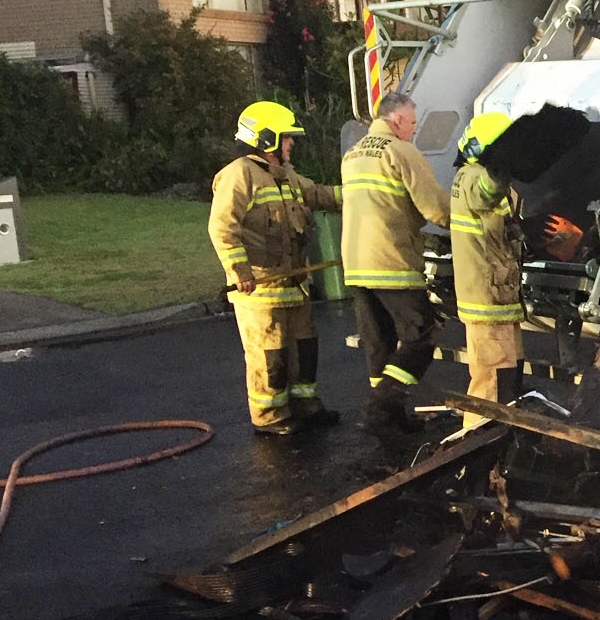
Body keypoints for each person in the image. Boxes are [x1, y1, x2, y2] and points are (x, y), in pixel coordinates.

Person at [208, 100, 342, 436]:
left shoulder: (286, 176)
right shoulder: (239, 175)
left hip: (295, 285)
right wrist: (240, 271)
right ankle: (269, 417)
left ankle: (305, 405)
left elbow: (320, 195)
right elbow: (223, 227)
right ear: (267, 139)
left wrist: (361, 192)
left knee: (304, 348)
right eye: (287, 138)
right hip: (262, 289)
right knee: (271, 354)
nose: (292, 143)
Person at [341, 91, 451, 431]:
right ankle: (381, 405)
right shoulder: (401, 151)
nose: (415, 131)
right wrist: (466, 223)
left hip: (356, 265)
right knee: (423, 333)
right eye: (413, 123)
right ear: (398, 120)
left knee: (380, 343)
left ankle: (388, 418)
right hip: (391, 262)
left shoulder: (353, 153)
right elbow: (435, 208)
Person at [449, 112, 525, 427]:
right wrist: (503, 168)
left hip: (500, 302)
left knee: (509, 378)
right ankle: (476, 451)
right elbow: (485, 192)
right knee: (490, 388)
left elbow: (500, 225)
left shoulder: (485, 179)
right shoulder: (471, 178)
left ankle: (501, 448)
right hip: (487, 305)